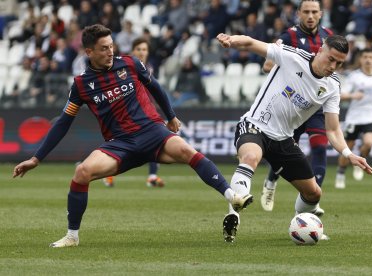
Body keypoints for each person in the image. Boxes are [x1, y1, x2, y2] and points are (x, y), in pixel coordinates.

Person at [12, 24, 253, 248]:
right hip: (120, 144)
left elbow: (155, 87)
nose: (110, 51)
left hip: (153, 132)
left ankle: (233, 197)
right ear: (89, 52)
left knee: (188, 151)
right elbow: (64, 122)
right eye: (103, 48)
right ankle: (72, 236)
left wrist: (170, 116)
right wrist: (36, 158)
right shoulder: (81, 85)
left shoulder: (130, 64)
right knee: (81, 173)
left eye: (111, 46)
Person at [216, 33, 372, 243]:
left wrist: (348, 153)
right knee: (250, 158)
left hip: (283, 140)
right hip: (255, 125)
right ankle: (234, 213)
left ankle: (303, 224)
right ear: (321, 50)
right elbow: (253, 43)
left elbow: (333, 130)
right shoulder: (291, 57)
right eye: (331, 59)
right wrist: (231, 40)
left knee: (313, 194)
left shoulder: (333, 85)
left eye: (340, 63)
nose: (334, 65)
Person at [261, 0, 333, 214]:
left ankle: (313, 201)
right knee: (285, 151)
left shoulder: (328, 37)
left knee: (320, 147)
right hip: (293, 106)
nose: (310, 16)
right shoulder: (288, 37)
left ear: (320, 14)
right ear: (299, 14)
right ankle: (271, 181)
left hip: (316, 105)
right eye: (306, 12)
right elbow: (267, 65)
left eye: (314, 12)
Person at [103, 38, 165, 188]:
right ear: (133, 51)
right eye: (139, 49)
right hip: (125, 112)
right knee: (120, 144)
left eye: (144, 49)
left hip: (145, 111)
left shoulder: (149, 67)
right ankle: (108, 173)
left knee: (154, 140)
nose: (142, 52)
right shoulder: (125, 67)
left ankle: (152, 176)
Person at [335, 48, 372, 189]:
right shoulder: (354, 76)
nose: (368, 59)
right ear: (361, 59)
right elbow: (341, 95)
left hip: (371, 117)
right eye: (365, 57)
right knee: (348, 148)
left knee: (369, 143)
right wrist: (353, 96)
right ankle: (341, 172)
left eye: (371, 56)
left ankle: (360, 163)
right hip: (354, 118)